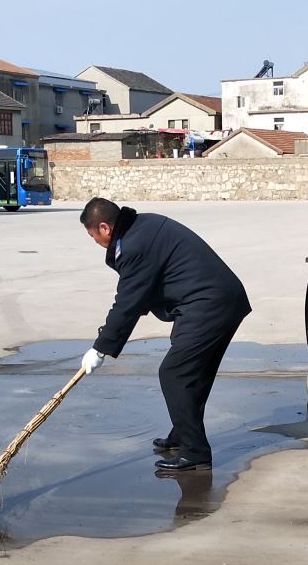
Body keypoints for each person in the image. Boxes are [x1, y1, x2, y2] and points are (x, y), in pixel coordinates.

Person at [79, 197, 251, 473]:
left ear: (104, 227)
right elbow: (143, 291)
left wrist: (100, 348)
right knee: (191, 371)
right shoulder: (142, 226)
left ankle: (195, 452)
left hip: (209, 304)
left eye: (92, 236)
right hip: (211, 301)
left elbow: (128, 302)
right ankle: (184, 433)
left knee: (175, 373)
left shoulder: (134, 245)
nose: (94, 242)